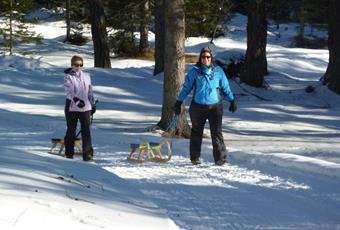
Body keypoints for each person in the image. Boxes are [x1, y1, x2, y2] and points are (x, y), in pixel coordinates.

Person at [174, 47, 237, 166]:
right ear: (200, 59)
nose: (206, 59)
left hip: (215, 107)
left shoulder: (218, 71)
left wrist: (232, 100)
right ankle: (195, 158)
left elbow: (225, 87)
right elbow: (186, 88)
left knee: (217, 133)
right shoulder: (194, 72)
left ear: (211, 58)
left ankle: (220, 159)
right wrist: (178, 102)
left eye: (208, 57)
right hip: (198, 108)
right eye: (203, 57)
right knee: (196, 133)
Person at [63, 55, 96, 161]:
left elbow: (90, 91)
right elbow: (69, 92)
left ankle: (88, 155)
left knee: (86, 131)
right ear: (72, 65)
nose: (79, 67)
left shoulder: (86, 76)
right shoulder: (68, 76)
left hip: (85, 107)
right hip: (72, 107)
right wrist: (76, 100)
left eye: (81, 65)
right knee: (71, 130)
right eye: (76, 65)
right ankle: (69, 153)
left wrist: (93, 103)